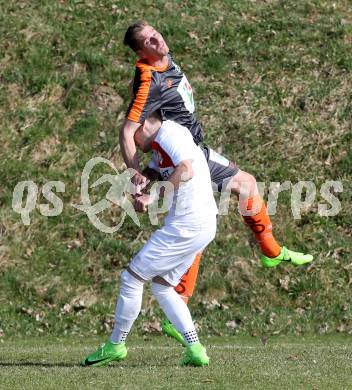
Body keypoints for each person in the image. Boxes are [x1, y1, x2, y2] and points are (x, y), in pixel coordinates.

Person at [119, 21, 313, 344]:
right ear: (141, 52)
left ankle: (183, 299)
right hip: (189, 155)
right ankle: (270, 251)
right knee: (240, 191)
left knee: (201, 223)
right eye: (149, 41)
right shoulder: (147, 78)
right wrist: (135, 173)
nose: (157, 39)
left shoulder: (164, 58)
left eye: (156, 33)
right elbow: (128, 132)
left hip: (195, 151)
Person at [81, 115, 217, 367]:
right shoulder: (163, 141)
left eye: (131, 140)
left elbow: (186, 169)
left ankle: (116, 345)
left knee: (131, 279)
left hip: (187, 225)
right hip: (203, 224)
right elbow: (159, 166)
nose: (132, 148)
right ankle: (196, 349)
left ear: (143, 126)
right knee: (163, 286)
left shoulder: (169, 135)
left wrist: (152, 197)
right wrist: (147, 176)